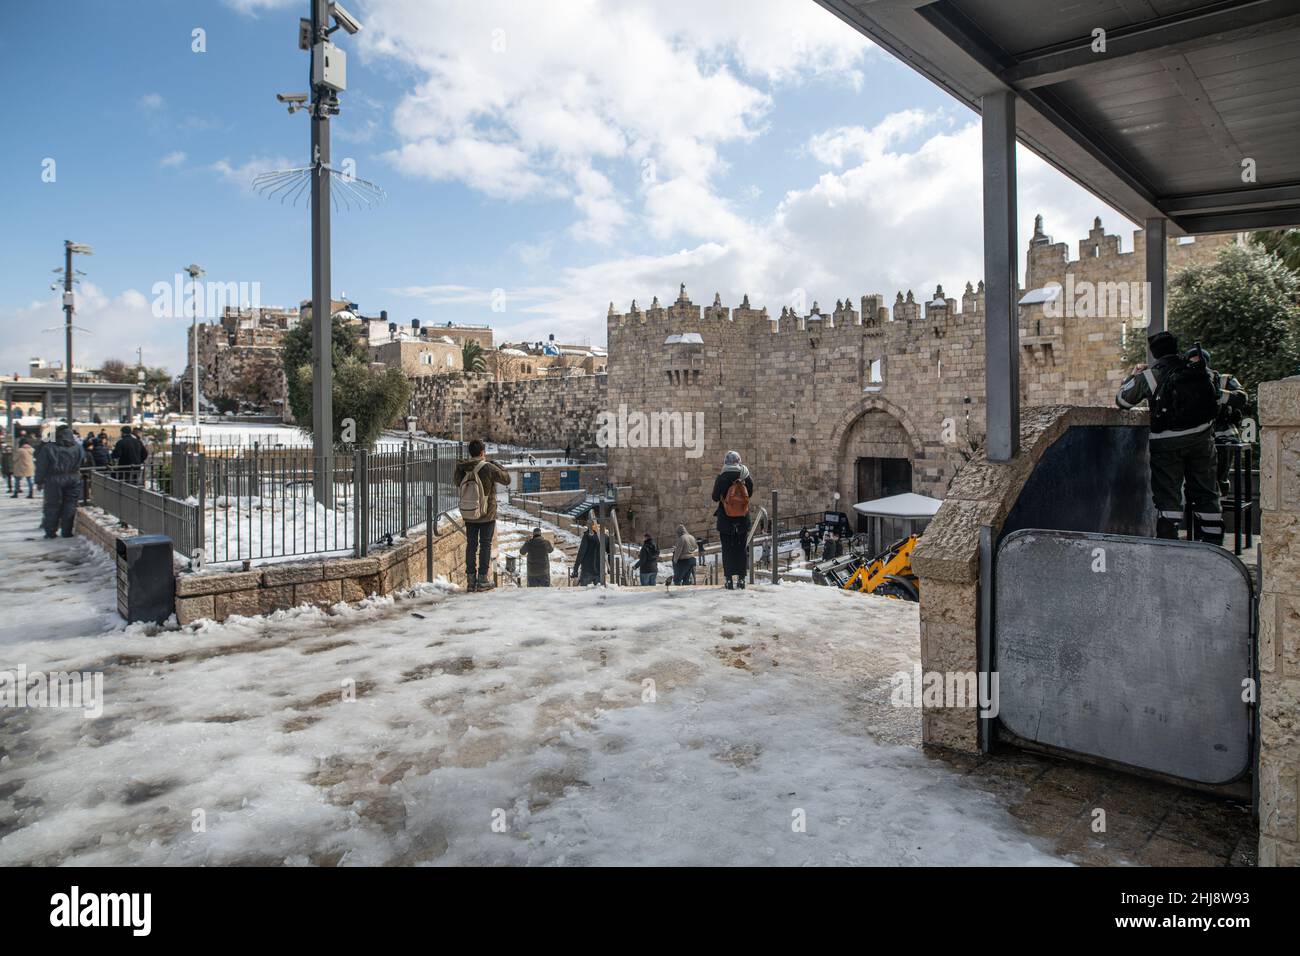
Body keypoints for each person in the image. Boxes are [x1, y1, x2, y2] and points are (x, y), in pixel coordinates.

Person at [1117, 331, 1223, 544]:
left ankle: (1169, 544)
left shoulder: (1151, 375)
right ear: (1176, 348)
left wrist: (1133, 374)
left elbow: (1123, 401)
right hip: (1202, 440)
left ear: (1154, 353)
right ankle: (1214, 547)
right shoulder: (1200, 370)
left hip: (1166, 444)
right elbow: (1217, 398)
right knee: (1207, 492)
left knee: (1168, 496)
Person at [1188, 347, 1249, 498]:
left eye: (1199, 363)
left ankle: (1219, 495)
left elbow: (1242, 397)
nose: (1196, 367)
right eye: (1192, 364)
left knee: (1222, 456)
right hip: (1198, 436)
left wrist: (1217, 394)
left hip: (1223, 433)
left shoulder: (1223, 379)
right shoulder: (1187, 384)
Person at [453, 438, 511, 591]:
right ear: (483, 452)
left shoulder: (462, 467)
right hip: (487, 513)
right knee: (485, 545)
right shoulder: (488, 467)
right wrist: (496, 464)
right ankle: (483, 579)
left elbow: (457, 483)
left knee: (471, 545)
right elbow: (507, 479)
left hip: (470, 512)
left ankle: (471, 581)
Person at [711, 450, 754, 590]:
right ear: (738, 460)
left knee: (727, 550)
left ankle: (729, 579)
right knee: (741, 549)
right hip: (742, 518)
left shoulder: (722, 477)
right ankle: (741, 579)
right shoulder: (745, 476)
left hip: (725, 520)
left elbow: (715, 497)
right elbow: (750, 494)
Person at [34, 425, 86, 538]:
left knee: (52, 505)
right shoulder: (77, 447)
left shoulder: (48, 448)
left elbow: (41, 466)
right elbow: (83, 461)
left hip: (53, 479)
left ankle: (50, 532)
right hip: (73, 478)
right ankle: (66, 531)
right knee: (70, 504)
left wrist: (38, 480)